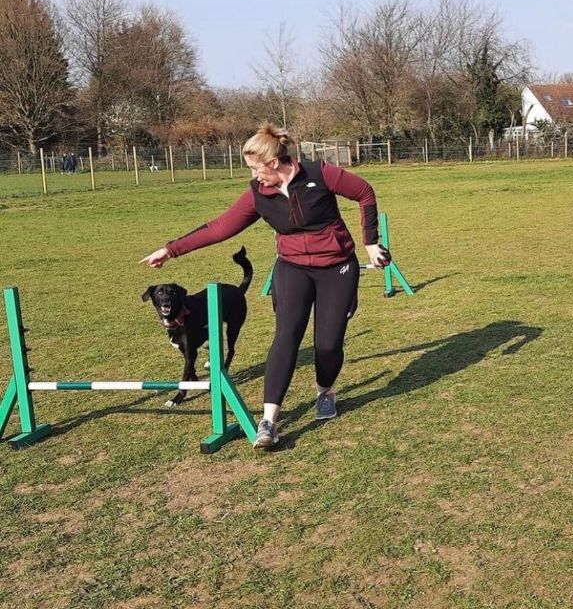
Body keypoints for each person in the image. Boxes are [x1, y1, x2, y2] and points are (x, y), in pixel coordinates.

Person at [139, 124, 390, 450]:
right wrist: (171, 249)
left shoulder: (320, 173)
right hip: (292, 268)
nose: (255, 176)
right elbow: (219, 227)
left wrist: (371, 242)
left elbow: (364, 192)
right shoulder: (259, 193)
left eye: (257, 168)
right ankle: (269, 420)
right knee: (286, 335)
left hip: (336, 267)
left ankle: (325, 390)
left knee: (327, 344)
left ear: (274, 162)